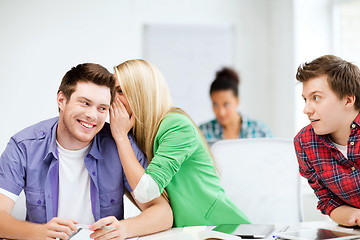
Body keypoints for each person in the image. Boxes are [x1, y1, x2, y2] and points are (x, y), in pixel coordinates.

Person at [0, 63, 172, 240]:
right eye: (85, 103)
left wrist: (124, 228)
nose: (92, 115)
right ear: (62, 100)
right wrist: (39, 233)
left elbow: (162, 212)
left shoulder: (120, 144)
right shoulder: (24, 146)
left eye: (102, 108)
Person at [109, 59, 250, 227]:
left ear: (141, 94)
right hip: (188, 232)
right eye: (112, 92)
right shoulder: (136, 135)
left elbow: (146, 192)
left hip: (222, 229)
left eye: (120, 91)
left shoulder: (176, 126)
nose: (112, 99)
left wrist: (120, 137)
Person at [294, 55, 360, 227]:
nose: (306, 109)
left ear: (348, 99)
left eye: (316, 98)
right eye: (305, 99)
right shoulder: (304, 143)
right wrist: (355, 216)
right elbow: (327, 201)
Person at [199, 67, 272, 145]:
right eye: (215, 104)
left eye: (226, 104)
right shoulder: (203, 132)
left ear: (237, 101)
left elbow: (277, 155)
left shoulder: (260, 130)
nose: (221, 112)